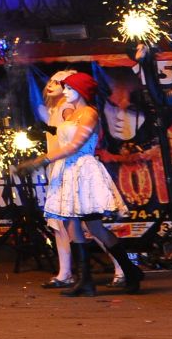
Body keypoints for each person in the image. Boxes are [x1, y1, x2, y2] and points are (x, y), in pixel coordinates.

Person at [23, 70, 140, 296]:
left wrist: (42, 160)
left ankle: (129, 271)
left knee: (94, 226)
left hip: (83, 170)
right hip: (69, 170)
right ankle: (85, 279)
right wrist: (47, 132)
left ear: (81, 91)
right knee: (70, 223)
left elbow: (75, 145)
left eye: (68, 88)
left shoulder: (89, 113)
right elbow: (64, 137)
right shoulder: (71, 114)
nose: (64, 91)